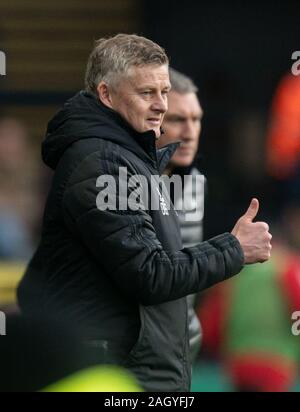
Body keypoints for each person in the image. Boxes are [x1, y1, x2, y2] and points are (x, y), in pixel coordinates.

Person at [17, 34, 272, 392]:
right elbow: (150, 273)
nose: (161, 105)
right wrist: (234, 248)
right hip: (119, 375)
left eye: (164, 92)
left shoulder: (129, 159)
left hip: (135, 369)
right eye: (146, 93)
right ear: (106, 94)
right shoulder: (104, 164)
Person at [157, 68, 204, 363]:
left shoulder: (197, 181)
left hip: (181, 349)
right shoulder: (121, 183)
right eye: (177, 120)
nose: (190, 132)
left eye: (196, 119)